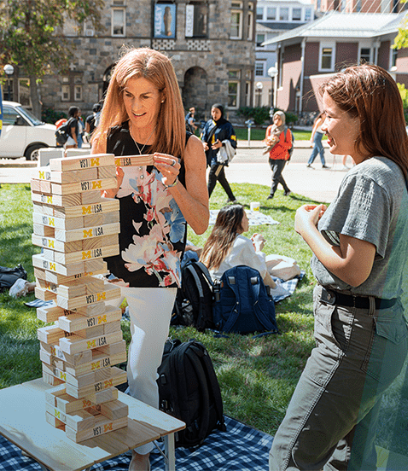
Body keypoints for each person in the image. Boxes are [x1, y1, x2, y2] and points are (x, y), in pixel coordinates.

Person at [270, 63, 408, 471]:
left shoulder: (369, 177)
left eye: (329, 115)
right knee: (349, 459)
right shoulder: (393, 169)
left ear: (362, 116)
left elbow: (353, 270)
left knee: (289, 457)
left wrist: (306, 228)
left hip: (354, 343)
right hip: (380, 337)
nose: (320, 124)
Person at [90, 47, 209, 471]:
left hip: (157, 271)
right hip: (104, 264)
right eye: (128, 95)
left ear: (163, 96)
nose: (136, 107)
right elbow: (90, 206)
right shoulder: (106, 138)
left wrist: (174, 183)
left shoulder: (187, 145)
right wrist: (102, 191)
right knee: (91, 362)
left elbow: (199, 222)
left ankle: (140, 455)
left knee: (142, 370)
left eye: (145, 96)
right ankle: (93, 439)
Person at [199, 204, 275, 288]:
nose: (248, 219)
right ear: (237, 221)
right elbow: (260, 272)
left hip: (215, 288)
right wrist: (258, 248)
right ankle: (277, 290)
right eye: (245, 217)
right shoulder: (242, 243)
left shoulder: (215, 240)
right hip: (233, 293)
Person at [202, 103, 238, 203]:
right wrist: (204, 143)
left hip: (220, 157)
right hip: (210, 155)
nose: (214, 114)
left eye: (217, 112)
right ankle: (232, 197)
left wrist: (222, 144)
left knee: (212, 176)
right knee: (221, 177)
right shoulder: (209, 123)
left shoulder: (227, 125)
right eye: (213, 112)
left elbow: (233, 140)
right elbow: (203, 135)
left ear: (221, 113)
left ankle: (205, 200)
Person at [265, 110, 293, 199]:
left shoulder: (286, 131)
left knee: (275, 176)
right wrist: (269, 142)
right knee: (277, 174)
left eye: (279, 119)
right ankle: (287, 189)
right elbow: (266, 141)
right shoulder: (270, 129)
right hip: (272, 156)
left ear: (283, 120)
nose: (277, 121)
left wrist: (279, 141)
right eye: (275, 119)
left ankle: (271, 194)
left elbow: (289, 145)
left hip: (282, 156)